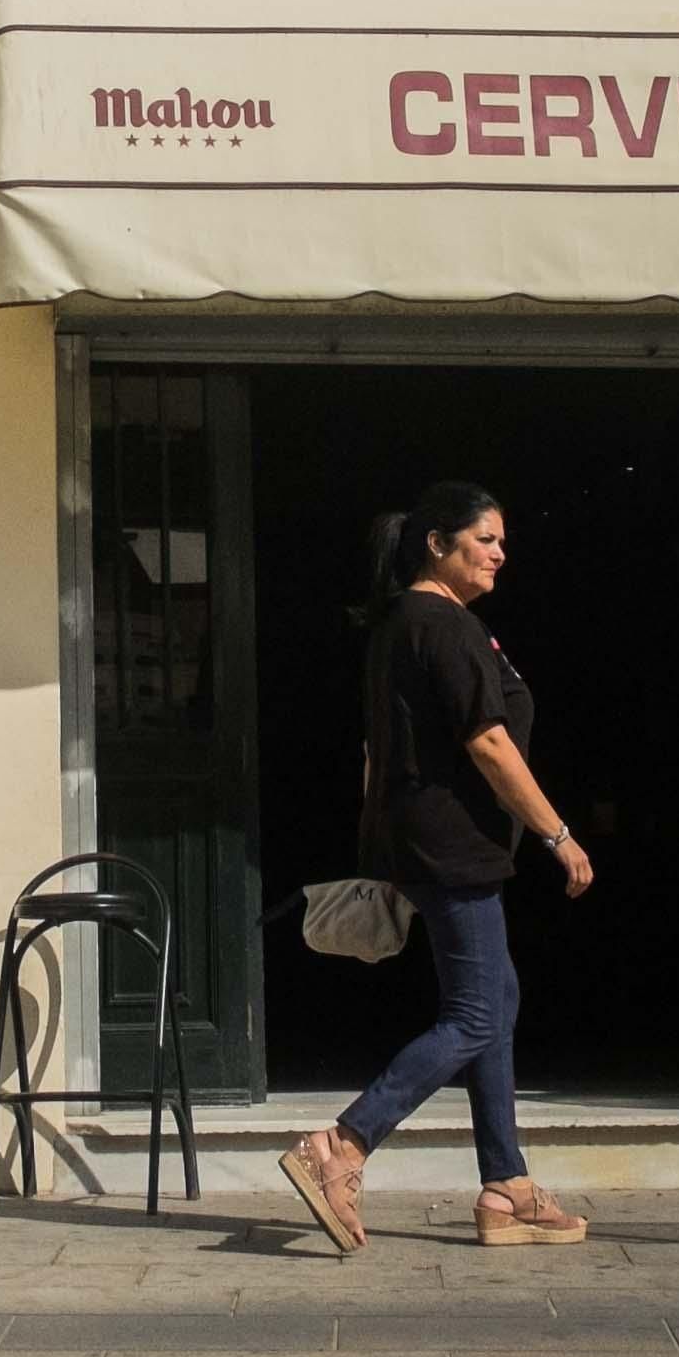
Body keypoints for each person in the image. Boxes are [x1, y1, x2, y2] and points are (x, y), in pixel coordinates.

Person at [278, 480, 596, 1255]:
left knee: (495, 998)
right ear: (436, 543)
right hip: (452, 845)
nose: (500, 553)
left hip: (424, 840)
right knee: (476, 1013)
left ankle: (505, 1184)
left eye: (501, 540)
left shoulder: (402, 624)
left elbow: (379, 749)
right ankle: (343, 1144)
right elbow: (489, 743)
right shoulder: (443, 625)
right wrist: (557, 833)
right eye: (484, 538)